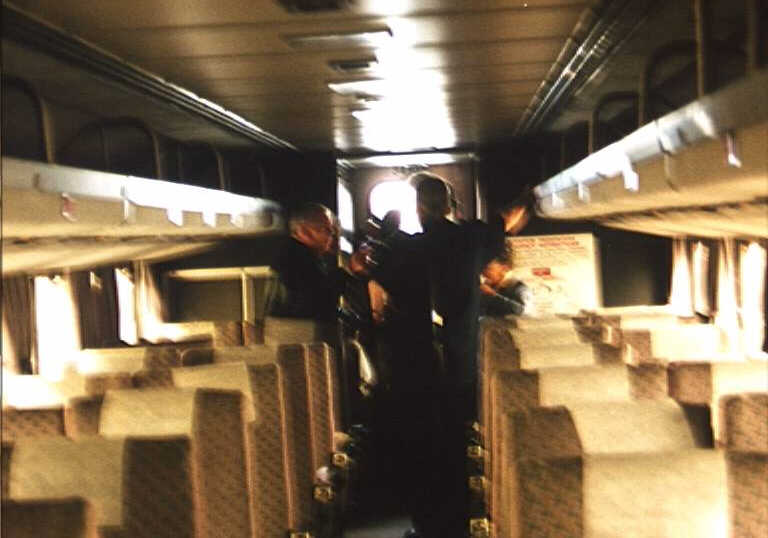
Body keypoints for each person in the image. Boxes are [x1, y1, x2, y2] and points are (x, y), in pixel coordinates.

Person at [351, 173, 532, 537]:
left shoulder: (401, 249)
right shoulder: (472, 238)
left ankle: (427, 526)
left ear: (418, 209)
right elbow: (509, 219)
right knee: (461, 444)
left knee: (421, 451)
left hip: (415, 368)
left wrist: (361, 267)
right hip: (462, 365)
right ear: (450, 205)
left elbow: (366, 273)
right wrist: (527, 198)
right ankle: (462, 523)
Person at [266, 203, 347, 322]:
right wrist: (349, 271)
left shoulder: (296, 253)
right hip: (299, 330)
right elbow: (317, 301)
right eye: (326, 229)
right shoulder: (297, 259)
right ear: (304, 232)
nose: (331, 234)